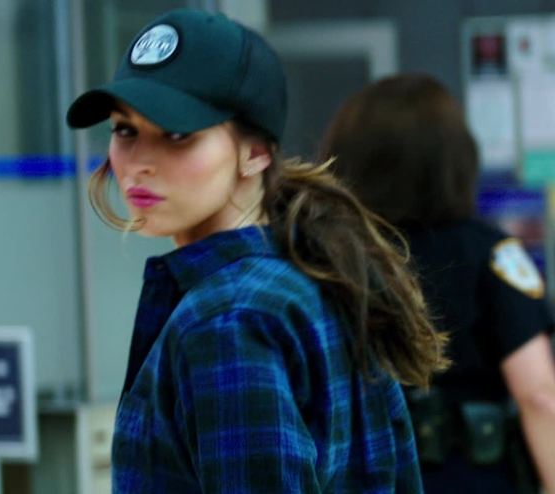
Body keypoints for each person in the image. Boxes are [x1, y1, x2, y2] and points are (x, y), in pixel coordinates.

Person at [67, 9, 449, 493]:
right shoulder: (318, 275)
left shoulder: (227, 320)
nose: (138, 162)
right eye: (125, 129)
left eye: (177, 134)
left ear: (255, 152)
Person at [320, 73, 555, 494]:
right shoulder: (491, 254)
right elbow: (538, 394)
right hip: (470, 474)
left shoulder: (330, 257)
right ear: (455, 160)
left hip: (363, 474)